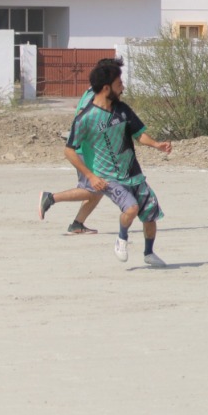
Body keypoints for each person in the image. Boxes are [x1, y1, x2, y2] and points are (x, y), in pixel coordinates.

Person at [63, 58, 174, 267]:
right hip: (109, 177)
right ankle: (122, 238)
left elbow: (139, 134)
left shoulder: (122, 109)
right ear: (107, 88)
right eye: (119, 83)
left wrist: (156, 144)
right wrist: (90, 176)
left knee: (150, 215)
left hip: (133, 173)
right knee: (131, 209)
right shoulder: (85, 117)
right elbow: (69, 151)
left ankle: (149, 253)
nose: (123, 87)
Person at [39, 86, 106, 234]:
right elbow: (82, 114)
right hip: (84, 149)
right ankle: (50, 198)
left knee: (98, 189)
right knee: (96, 189)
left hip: (88, 148)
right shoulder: (94, 93)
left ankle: (77, 224)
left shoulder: (93, 91)